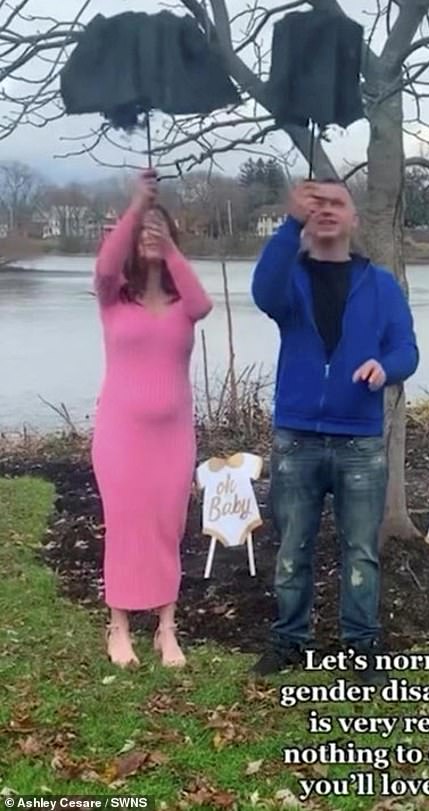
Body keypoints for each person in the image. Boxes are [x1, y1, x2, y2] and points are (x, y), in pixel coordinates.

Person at [251, 179, 419, 684]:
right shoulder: (290, 279)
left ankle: (362, 645)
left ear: (354, 219)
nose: (325, 210)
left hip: (360, 442)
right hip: (296, 438)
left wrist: (384, 367)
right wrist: (289, 226)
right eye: (315, 204)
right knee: (292, 547)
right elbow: (262, 291)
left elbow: (407, 350)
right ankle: (288, 640)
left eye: (336, 203)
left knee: (361, 550)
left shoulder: (381, 285)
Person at [91, 169, 213, 668]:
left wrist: (171, 252)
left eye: (157, 231)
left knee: (168, 523)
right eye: (141, 233)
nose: (148, 237)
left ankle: (166, 628)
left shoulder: (185, 304)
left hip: (173, 436)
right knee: (125, 522)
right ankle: (118, 627)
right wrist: (138, 207)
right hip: (121, 432)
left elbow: (204, 304)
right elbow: (103, 266)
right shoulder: (113, 298)